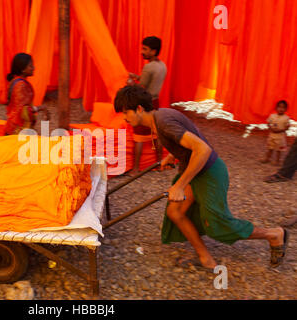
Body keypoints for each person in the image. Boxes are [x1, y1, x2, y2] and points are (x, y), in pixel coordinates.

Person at [114, 85, 289, 269]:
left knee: (220, 224)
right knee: (175, 212)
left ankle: (274, 234)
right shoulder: (161, 116)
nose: (125, 117)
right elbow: (191, 134)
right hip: (198, 171)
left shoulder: (164, 122)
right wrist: (174, 154)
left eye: (126, 112)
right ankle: (206, 258)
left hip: (209, 173)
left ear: (139, 109)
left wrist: (180, 185)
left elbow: (202, 149)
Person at [126, 36, 167, 174]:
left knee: (139, 136)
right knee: (156, 133)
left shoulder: (148, 67)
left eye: (145, 49)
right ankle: (160, 164)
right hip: (155, 102)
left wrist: (130, 83)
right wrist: (137, 77)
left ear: (154, 51)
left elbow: (141, 88)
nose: (142, 51)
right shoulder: (162, 66)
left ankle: (136, 169)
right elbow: (150, 82)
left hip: (144, 104)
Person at [5, 53, 49, 135]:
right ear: (23, 69)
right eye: (31, 66)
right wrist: (41, 108)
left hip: (12, 127)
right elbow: (23, 111)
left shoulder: (15, 81)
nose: (34, 68)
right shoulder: (21, 85)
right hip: (17, 131)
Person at [260, 100, 290, 165]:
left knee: (278, 150)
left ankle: (277, 161)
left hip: (280, 137)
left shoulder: (286, 118)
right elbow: (268, 123)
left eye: (283, 107)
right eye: (279, 107)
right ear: (276, 108)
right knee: (270, 148)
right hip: (272, 135)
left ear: (286, 109)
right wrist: (271, 128)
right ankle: (267, 158)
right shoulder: (272, 116)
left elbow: (287, 127)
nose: (281, 109)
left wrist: (281, 130)